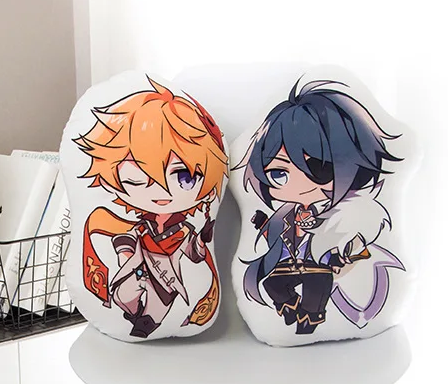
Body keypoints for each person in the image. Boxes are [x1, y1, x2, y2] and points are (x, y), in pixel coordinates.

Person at [236, 79, 403, 334]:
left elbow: (356, 240)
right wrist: (263, 224)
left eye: (318, 168)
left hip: (321, 268)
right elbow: (278, 235)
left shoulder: (347, 213)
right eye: (279, 173)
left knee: (312, 305)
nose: (300, 183)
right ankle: (291, 313)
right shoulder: (287, 214)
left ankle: (305, 323)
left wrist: (343, 255)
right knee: (273, 285)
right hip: (293, 265)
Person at [74, 78, 228, 337]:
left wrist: (203, 238)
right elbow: (125, 237)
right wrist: (125, 255)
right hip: (136, 269)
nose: (161, 192)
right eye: (136, 180)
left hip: (166, 282)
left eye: (184, 178)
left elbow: (195, 254)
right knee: (123, 296)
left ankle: (143, 324)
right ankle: (133, 315)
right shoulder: (141, 225)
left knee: (153, 316)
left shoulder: (184, 231)